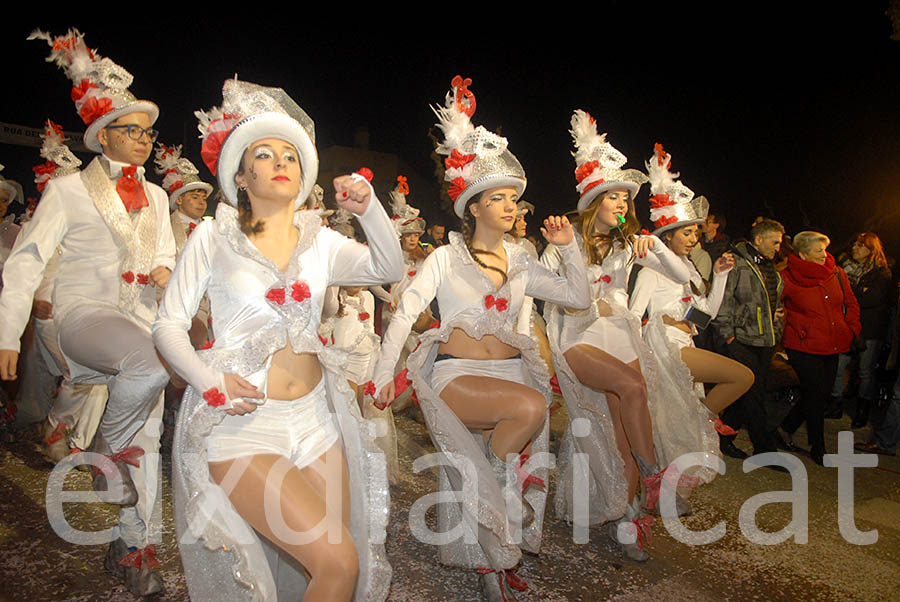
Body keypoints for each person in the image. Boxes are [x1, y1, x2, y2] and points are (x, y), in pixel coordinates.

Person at [153, 78, 401, 602]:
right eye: (263, 154)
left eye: (289, 153)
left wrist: (369, 209)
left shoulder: (323, 241)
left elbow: (387, 265)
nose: (280, 161)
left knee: (327, 569)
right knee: (337, 562)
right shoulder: (212, 238)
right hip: (242, 426)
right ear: (242, 176)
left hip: (317, 424)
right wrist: (207, 381)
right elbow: (168, 325)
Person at [374, 76, 590, 602]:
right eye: (498, 198)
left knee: (489, 461)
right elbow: (404, 312)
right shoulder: (445, 258)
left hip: (509, 373)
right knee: (531, 408)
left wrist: (570, 248)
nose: (511, 206)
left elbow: (578, 298)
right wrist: (381, 376)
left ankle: (490, 562)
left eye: (514, 198)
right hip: (456, 377)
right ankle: (503, 514)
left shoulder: (522, 259)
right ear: (473, 206)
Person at [2, 29, 175, 596]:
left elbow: (166, 253)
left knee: (145, 440)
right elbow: (27, 259)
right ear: (104, 137)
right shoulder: (70, 190)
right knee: (151, 366)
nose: (145, 140)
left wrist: (165, 273)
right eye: (133, 130)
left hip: (140, 321)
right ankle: (101, 453)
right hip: (81, 316)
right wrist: (8, 333)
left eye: (149, 132)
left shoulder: (155, 197)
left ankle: (131, 549)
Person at [543, 116, 697, 563]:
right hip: (579, 338)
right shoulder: (562, 241)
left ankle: (629, 517)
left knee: (623, 435)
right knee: (634, 388)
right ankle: (656, 472)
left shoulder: (632, 245)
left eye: (627, 198)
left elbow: (685, 277)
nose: (623, 203)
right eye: (614, 196)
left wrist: (657, 248)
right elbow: (552, 297)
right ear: (595, 201)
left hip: (622, 339)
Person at [629, 143, 753, 442]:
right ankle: (698, 418)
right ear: (666, 236)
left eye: (696, 233)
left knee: (671, 435)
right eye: (687, 233)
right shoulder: (652, 270)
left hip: (687, 343)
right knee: (742, 376)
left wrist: (720, 277)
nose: (693, 239)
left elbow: (707, 313)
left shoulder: (692, 272)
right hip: (667, 349)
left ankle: (691, 423)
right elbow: (632, 316)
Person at [774, 231, 860, 466]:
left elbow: (851, 303)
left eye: (825, 249)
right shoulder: (786, 278)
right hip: (802, 345)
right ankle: (818, 446)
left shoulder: (837, 274)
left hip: (832, 344)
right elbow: (773, 306)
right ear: (803, 253)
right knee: (815, 392)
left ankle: (785, 429)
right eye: (819, 250)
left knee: (820, 394)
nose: (825, 254)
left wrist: (851, 329)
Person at [711, 219, 787, 467]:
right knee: (754, 395)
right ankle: (765, 451)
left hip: (765, 339)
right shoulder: (736, 263)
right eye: (774, 241)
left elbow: (768, 303)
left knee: (749, 393)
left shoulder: (769, 268)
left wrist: (774, 326)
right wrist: (729, 335)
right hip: (741, 338)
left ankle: (721, 437)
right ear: (758, 239)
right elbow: (724, 301)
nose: (778, 247)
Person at [154, 143, 214, 348]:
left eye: (203, 198)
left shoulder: (212, 229)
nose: (201, 203)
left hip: (207, 302)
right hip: (171, 299)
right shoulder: (164, 228)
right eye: (194, 197)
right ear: (179, 200)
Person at [829, 232, 892, 427]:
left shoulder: (881, 273)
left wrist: (849, 290)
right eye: (855, 243)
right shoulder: (844, 269)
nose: (854, 247)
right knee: (838, 366)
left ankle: (862, 409)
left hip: (869, 329)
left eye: (860, 245)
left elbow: (871, 299)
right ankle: (835, 404)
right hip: (846, 326)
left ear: (871, 250)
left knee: (865, 371)